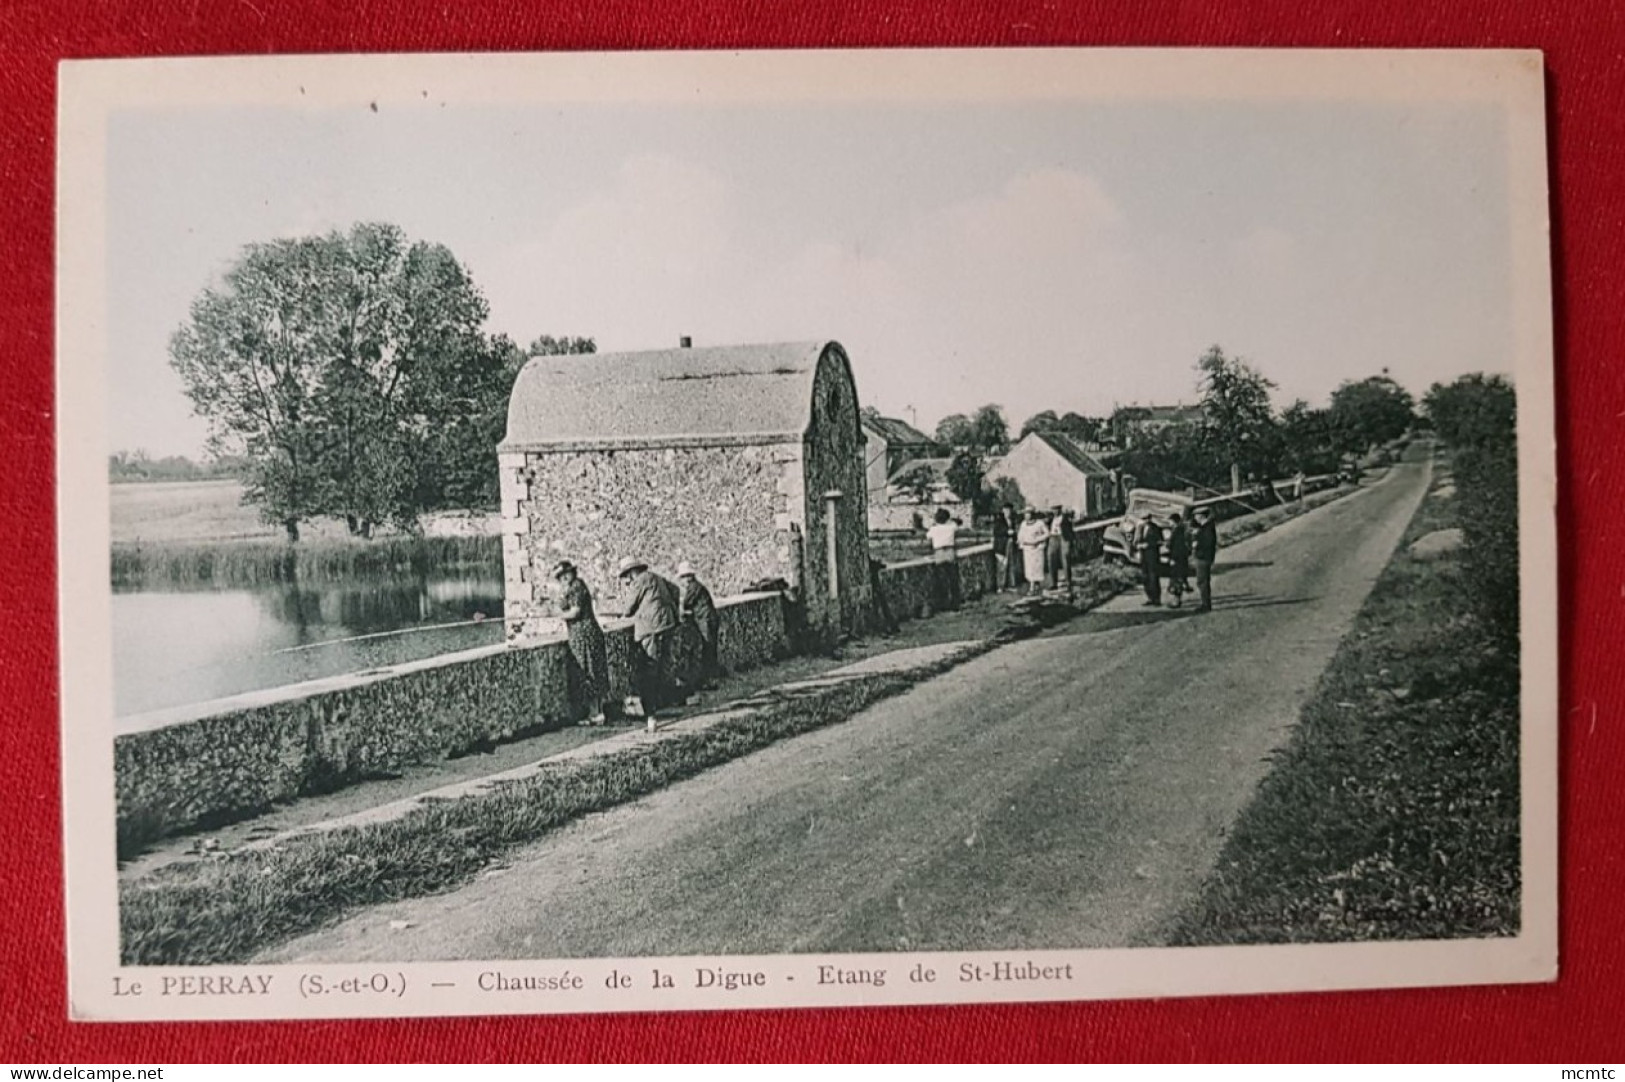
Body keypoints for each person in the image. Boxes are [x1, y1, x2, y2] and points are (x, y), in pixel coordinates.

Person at [552, 560, 616, 725]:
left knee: (590, 671)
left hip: (584, 636)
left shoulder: (576, 588)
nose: (563, 579)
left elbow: (575, 612)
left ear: (571, 574)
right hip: (585, 635)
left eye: (564, 575)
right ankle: (597, 712)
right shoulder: (576, 586)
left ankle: (595, 713)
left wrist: (557, 614)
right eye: (560, 577)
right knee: (594, 671)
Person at [618, 555, 681, 719]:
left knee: (651, 665)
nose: (627, 579)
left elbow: (628, 609)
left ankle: (651, 708)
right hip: (668, 623)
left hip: (651, 627)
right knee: (664, 663)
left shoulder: (639, 581)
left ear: (631, 573)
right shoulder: (655, 577)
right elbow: (676, 590)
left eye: (626, 576)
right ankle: (666, 699)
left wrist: (629, 590)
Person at [676, 560, 720, 691]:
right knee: (708, 649)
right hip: (706, 619)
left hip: (706, 620)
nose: (682, 581)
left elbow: (686, 603)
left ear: (688, 577)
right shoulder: (696, 586)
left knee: (708, 649)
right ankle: (707, 680)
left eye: (684, 577)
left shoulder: (694, 587)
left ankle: (708, 680)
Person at [1192, 506, 1219, 613]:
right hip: (1204, 558)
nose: (1195, 518)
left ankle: (1206, 605)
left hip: (1203, 558)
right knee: (1202, 581)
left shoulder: (1207, 528)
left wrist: (1197, 545)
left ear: (1201, 516)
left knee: (1202, 581)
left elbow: (1208, 543)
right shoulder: (1206, 527)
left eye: (1196, 516)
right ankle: (1205, 603)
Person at [1016, 509, 1049, 597]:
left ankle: (1036, 586)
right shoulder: (1023, 524)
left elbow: (1047, 533)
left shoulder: (1039, 523)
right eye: (1026, 514)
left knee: (1036, 568)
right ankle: (1032, 587)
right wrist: (1021, 541)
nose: (1027, 516)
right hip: (1027, 549)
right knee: (1029, 569)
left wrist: (1038, 539)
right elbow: (1020, 535)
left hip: (1037, 549)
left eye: (1029, 513)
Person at [1134, 512, 1164, 607]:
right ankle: (1150, 597)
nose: (1146, 521)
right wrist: (1137, 545)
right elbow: (1135, 540)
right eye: (1144, 519)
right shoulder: (1140, 528)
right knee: (1145, 577)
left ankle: (1157, 599)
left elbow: (1160, 541)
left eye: (1147, 518)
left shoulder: (1155, 528)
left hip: (1152, 556)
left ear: (1150, 518)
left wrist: (1149, 545)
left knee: (1153, 577)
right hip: (1143, 556)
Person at [1165, 512, 1192, 608]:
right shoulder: (1181, 530)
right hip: (1181, 559)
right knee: (1178, 580)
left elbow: (1177, 548)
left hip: (1178, 559)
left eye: (1170, 521)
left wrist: (1173, 558)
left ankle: (1176, 601)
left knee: (1176, 581)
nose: (1169, 523)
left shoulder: (1177, 532)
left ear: (1174, 521)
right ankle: (1177, 599)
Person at [989, 505, 1011, 591]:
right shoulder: (999, 521)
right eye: (1006, 511)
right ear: (1003, 511)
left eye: (1009, 511)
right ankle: (1000, 586)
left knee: (1005, 566)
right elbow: (996, 531)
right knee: (1000, 567)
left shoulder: (1009, 520)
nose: (1008, 512)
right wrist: (1007, 532)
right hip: (1000, 546)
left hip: (1006, 545)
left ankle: (1004, 585)